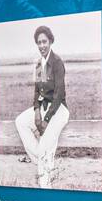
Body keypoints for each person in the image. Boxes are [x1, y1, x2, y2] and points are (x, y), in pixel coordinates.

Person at [15, 24, 69, 189]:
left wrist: (45, 119)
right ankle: (42, 160)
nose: (42, 46)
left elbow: (59, 94)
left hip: (59, 110)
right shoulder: (39, 65)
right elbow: (37, 91)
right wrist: (37, 110)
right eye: (39, 42)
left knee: (45, 147)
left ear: (51, 41)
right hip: (44, 107)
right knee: (20, 121)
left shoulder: (57, 62)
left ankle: (45, 187)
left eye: (44, 41)